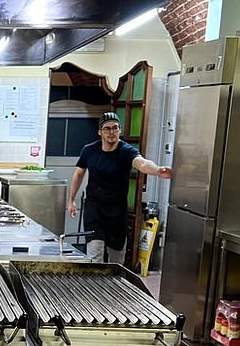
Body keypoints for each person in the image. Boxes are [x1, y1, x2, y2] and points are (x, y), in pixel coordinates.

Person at [67, 111, 171, 264]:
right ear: (100, 132)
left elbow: (142, 164)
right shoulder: (89, 150)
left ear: (119, 130)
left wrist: (158, 170)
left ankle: (114, 279)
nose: (111, 132)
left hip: (116, 210)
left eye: (115, 128)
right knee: (95, 253)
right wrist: (71, 200)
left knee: (116, 258)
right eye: (107, 128)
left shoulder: (126, 151)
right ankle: (94, 279)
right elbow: (78, 173)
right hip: (94, 208)